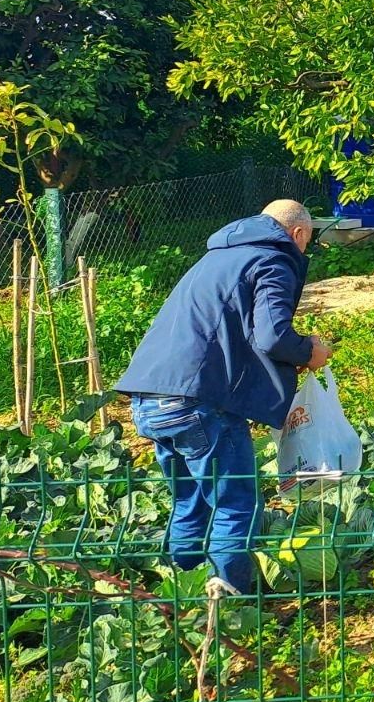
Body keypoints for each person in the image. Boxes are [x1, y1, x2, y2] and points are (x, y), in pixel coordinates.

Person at [116, 199, 333, 596]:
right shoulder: (273, 260)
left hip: (148, 398)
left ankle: (183, 593)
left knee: (191, 503)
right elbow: (272, 336)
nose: (306, 250)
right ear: (299, 233)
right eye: (308, 242)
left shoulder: (219, 256)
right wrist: (309, 351)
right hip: (196, 405)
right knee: (235, 503)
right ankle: (231, 601)